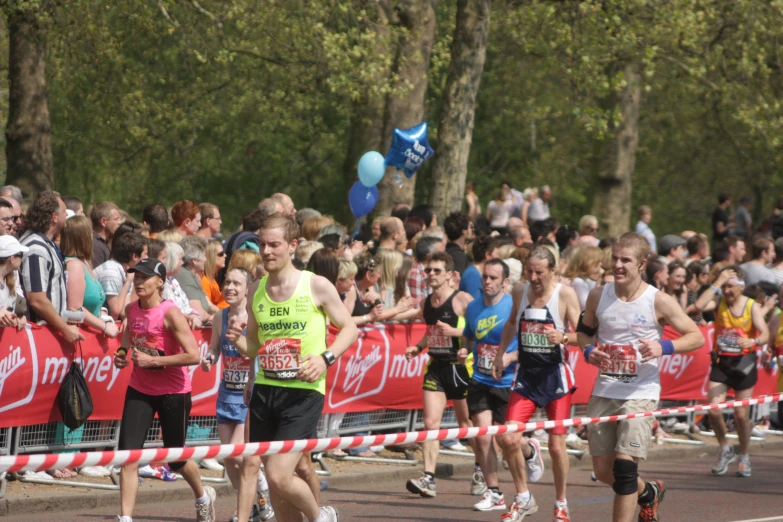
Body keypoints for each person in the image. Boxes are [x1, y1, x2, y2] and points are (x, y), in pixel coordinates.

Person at [236, 213, 357, 522]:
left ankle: (321, 516)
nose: (266, 252)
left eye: (274, 245)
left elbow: (349, 329)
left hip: (303, 393)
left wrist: (324, 359)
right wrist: (236, 340)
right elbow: (255, 346)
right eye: (262, 244)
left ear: (292, 246)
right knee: (278, 492)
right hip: (266, 390)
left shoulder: (316, 285)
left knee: (277, 475)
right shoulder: (255, 290)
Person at [578, 232, 703, 522]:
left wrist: (663, 346)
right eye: (615, 258)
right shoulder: (599, 295)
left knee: (624, 469)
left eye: (626, 260)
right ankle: (648, 492)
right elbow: (584, 332)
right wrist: (588, 351)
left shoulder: (658, 300)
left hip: (640, 392)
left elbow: (696, 337)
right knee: (602, 471)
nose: (618, 265)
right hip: (605, 389)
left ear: (642, 264)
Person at [113, 258, 216, 522]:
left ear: (160, 282)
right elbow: (126, 340)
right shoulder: (131, 309)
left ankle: (203, 495)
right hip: (140, 388)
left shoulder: (171, 313)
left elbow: (193, 355)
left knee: (176, 458)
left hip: (174, 391)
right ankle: (125, 517)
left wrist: (155, 361)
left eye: (144, 277)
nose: (138, 282)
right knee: (129, 455)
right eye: (136, 277)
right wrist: (123, 354)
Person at [492, 246, 580, 522]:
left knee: (556, 447)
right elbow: (510, 323)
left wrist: (562, 337)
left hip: (555, 376)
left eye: (539, 272)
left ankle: (561, 503)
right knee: (508, 437)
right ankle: (523, 498)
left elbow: (584, 336)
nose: (533, 277)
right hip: (527, 374)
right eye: (529, 271)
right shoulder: (520, 291)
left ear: (553, 271)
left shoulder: (564, 294)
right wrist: (500, 355)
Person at [200, 267, 274, 522]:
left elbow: (262, 352)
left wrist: (246, 351)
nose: (230, 287)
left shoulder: (255, 317)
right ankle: (253, 502)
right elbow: (213, 348)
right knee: (229, 458)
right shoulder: (220, 317)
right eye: (227, 283)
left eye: (236, 283)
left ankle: (261, 493)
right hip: (226, 393)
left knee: (239, 453)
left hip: (248, 394)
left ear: (248, 288)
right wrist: (209, 359)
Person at [404, 252, 474, 499]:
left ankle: (481, 469)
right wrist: (418, 346)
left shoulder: (462, 299)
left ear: (449, 275)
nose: (430, 274)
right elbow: (430, 333)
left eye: (436, 270)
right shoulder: (426, 303)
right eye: (428, 270)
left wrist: (455, 331)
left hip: (461, 367)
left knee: (467, 426)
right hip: (436, 367)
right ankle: (428, 478)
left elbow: (481, 328)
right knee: (431, 424)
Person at [693, 266, 769, 478]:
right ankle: (725, 448)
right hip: (722, 362)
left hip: (744, 364)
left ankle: (744, 455)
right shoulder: (719, 302)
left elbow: (765, 334)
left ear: (741, 287)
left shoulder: (751, 306)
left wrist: (752, 341)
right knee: (714, 410)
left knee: (741, 414)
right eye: (724, 286)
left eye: (730, 286)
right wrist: (717, 283)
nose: (727, 290)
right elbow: (698, 306)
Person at [462, 259, 524, 512]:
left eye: (493, 278)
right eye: (485, 277)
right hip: (480, 379)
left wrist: (510, 356)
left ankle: (530, 453)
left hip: (508, 382)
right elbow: (468, 335)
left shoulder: (514, 306)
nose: (487, 282)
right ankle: (494, 493)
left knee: (509, 439)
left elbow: (531, 343)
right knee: (483, 438)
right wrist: (464, 350)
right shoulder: (473, 306)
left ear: (505, 282)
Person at [19, 191, 84, 342]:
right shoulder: (36, 248)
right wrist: (64, 328)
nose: (66, 216)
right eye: (63, 212)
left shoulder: (47, 244)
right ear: (54, 217)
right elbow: (37, 298)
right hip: (40, 338)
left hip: (50, 336)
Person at [61, 216, 118, 338]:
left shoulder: (84, 263)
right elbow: (75, 309)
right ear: (84, 237)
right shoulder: (74, 266)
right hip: (81, 339)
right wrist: (104, 327)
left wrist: (104, 316)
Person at [95, 233, 148, 320]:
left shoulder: (127, 271)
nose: (147, 257)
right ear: (134, 256)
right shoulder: (112, 273)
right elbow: (115, 313)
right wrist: (127, 283)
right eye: (145, 254)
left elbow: (124, 312)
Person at [175, 235, 218, 322]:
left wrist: (223, 315)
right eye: (204, 256)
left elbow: (210, 306)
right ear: (195, 260)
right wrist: (214, 318)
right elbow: (199, 313)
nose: (206, 259)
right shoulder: (185, 276)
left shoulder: (192, 275)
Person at [0, 235, 27, 330]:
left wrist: (19, 317)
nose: (22, 259)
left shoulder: (10, 279)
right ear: (12, 259)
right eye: (21, 255)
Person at [460, 236, 498, 300]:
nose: (498, 257)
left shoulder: (477, 273)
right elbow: (474, 304)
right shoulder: (472, 275)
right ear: (488, 255)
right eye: (497, 254)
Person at [567, 246, 603, 310]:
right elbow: (586, 305)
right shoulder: (578, 281)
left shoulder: (587, 280)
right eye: (597, 262)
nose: (600, 264)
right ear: (587, 262)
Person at [90, 201, 122, 268]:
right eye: (116, 219)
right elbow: (98, 276)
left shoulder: (104, 242)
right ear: (103, 221)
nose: (120, 222)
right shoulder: (95, 245)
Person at [201, 240, 228, 310]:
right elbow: (206, 309)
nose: (225, 255)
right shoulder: (204, 281)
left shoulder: (211, 279)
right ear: (210, 257)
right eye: (221, 253)